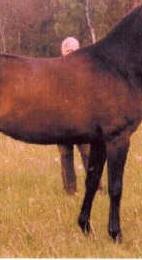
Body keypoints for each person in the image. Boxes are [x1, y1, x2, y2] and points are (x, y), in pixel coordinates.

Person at [57, 37, 97, 194]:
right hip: (60, 120)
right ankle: (70, 191)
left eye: (74, 50)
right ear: (62, 52)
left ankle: (96, 186)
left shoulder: (87, 69)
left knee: (88, 153)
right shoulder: (55, 70)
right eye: (68, 50)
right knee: (65, 155)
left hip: (83, 121)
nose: (71, 53)